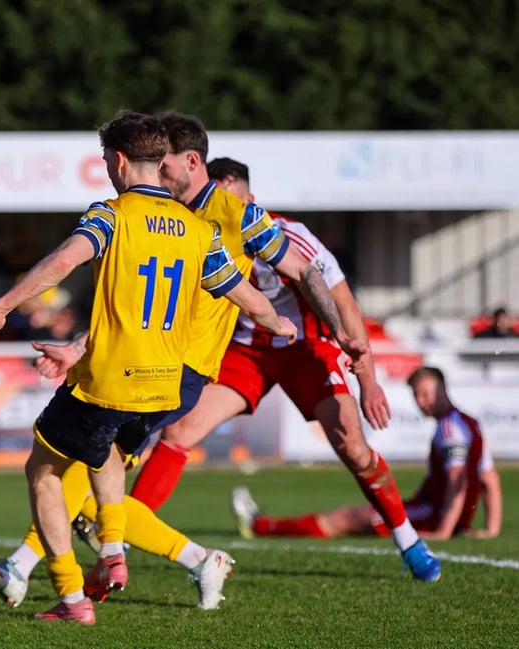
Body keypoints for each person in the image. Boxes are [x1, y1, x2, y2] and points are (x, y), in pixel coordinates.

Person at [0, 111, 365, 612]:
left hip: (131, 376)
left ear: (119, 161)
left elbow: (66, 261)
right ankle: (94, 552)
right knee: (95, 461)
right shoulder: (196, 229)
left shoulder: (121, 214)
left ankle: (68, 584)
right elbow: (241, 293)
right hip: (165, 381)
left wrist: (2, 306)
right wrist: (278, 323)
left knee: (48, 469)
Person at [126, 156, 442, 581]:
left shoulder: (289, 235)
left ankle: (407, 538)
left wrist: (367, 380)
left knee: (352, 444)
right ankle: (123, 539)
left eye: (234, 204)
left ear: (251, 202)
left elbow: (344, 302)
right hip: (243, 351)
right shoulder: (197, 233)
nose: (228, 215)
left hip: (303, 347)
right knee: (179, 433)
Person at [233, 366, 502, 542]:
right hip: (437, 513)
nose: (421, 402)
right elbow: (489, 479)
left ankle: (262, 526)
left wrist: (443, 531)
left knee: (345, 519)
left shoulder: (449, 429)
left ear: (442, 389)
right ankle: (264, 525)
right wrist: (491, 528)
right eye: (416, 396)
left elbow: (458, 482)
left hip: (429, 513)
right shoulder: (470, 423)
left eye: (425, 394)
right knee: (352, 517)